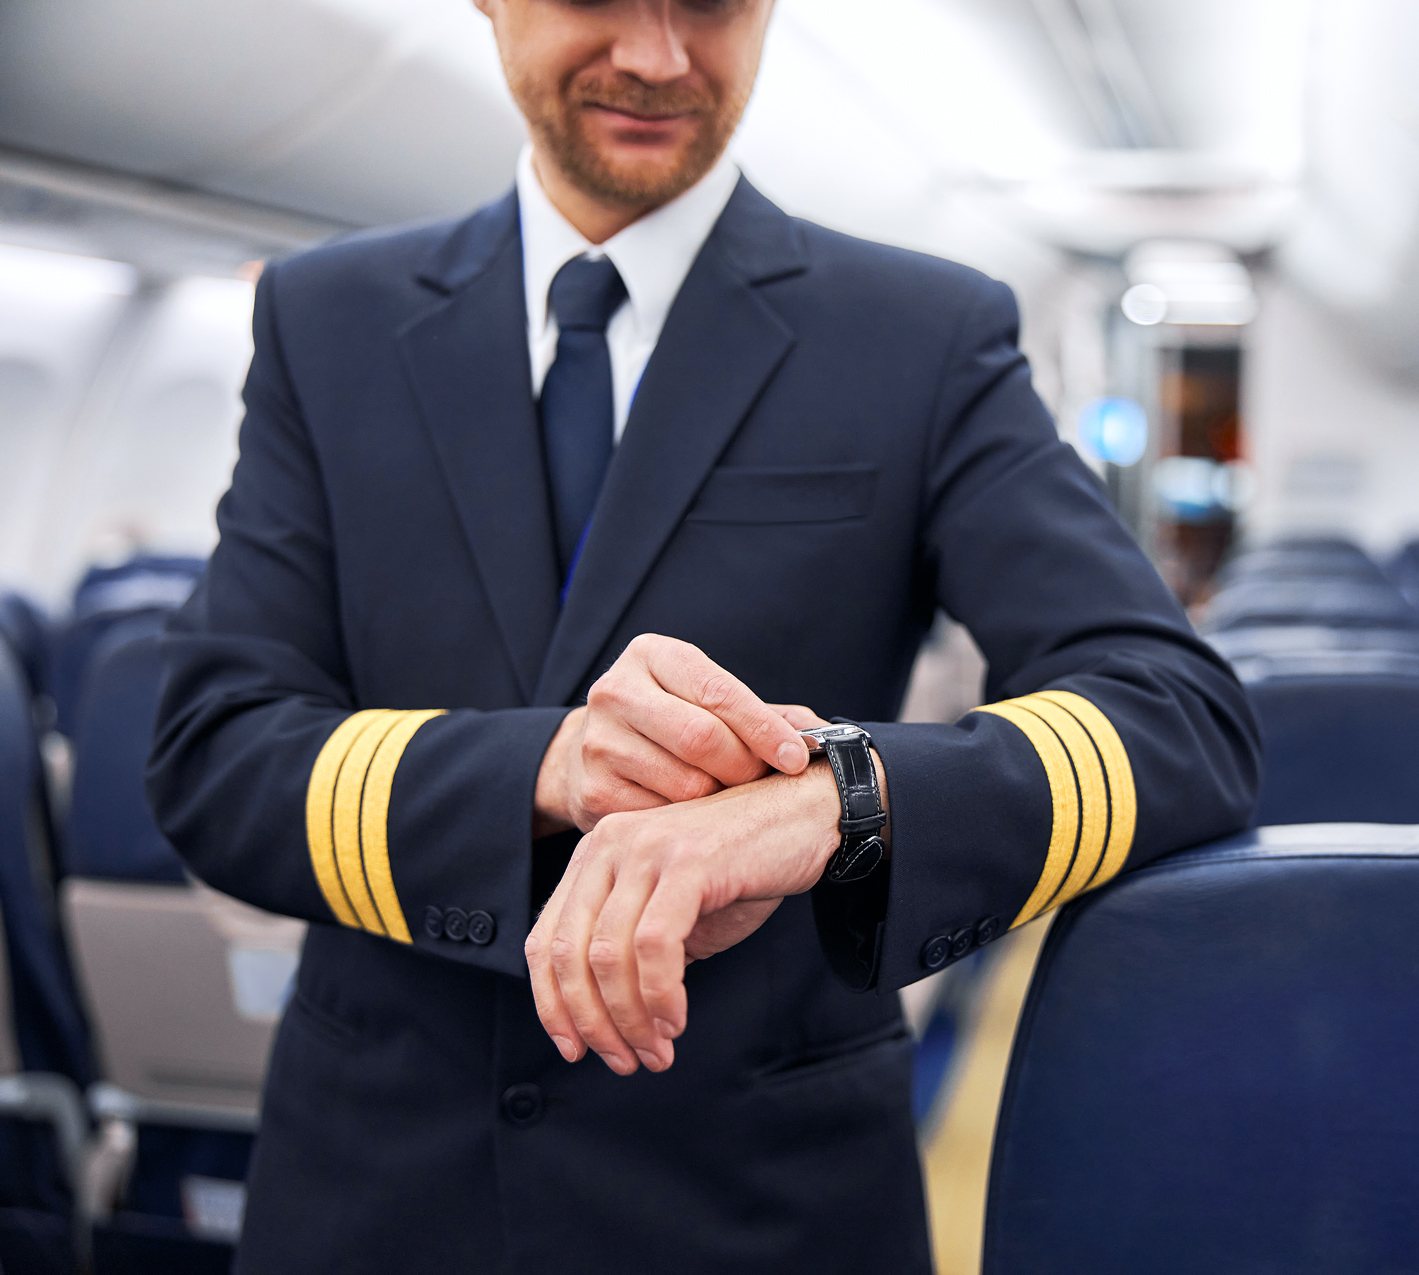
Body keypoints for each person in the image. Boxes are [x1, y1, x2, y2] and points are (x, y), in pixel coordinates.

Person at [146, 0, 1261, 1270]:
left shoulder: (919, 335)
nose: (658, 56)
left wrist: (841, 801)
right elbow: (213, 749)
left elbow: (1179, 711)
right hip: (377, 1193)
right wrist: (545, 769)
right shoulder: (324, 318)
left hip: (755, 1200)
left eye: (712, 5)